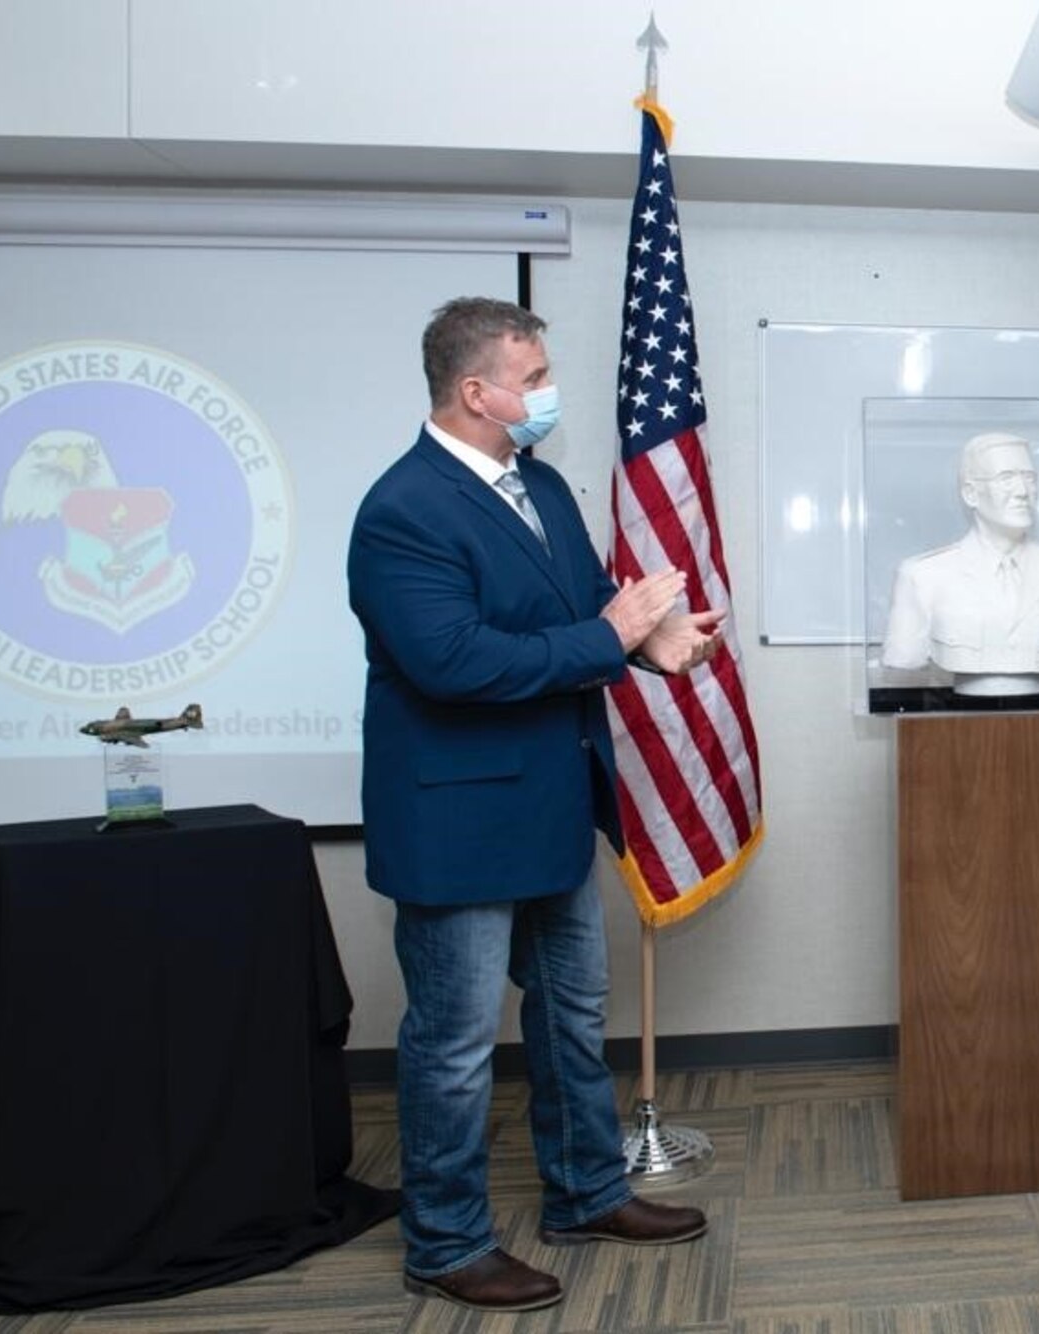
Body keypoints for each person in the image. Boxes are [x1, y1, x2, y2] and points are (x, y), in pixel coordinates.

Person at [347, 298, 725, 1312]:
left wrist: (660, 640)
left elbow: (583, 614)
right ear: (477, 391)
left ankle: (586, 1192)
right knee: (456, 1042)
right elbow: (452, 662)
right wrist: (611, 634)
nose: (548, 389)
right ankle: (446, 1239)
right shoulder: (402, 510)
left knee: (569, 1016)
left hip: (553, 802)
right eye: (536, 372)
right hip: (457, 822)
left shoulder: (542, 486)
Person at [880, 430, 1039, 696]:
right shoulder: (922, 576)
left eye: (1029, 478)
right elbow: (905, 654)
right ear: (970, 494)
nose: (1023, 492)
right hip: (959, 724)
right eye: (1006, 478)